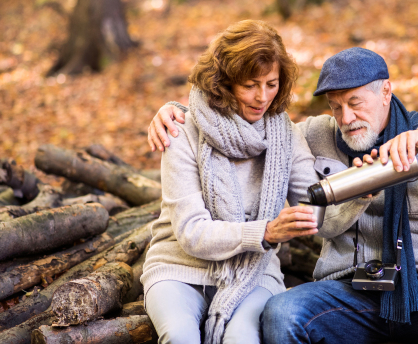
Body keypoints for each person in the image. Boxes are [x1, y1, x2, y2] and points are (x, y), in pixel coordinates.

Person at [147, 47, 418, 344]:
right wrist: (177, 111)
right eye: (336, 107)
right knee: (283, 313)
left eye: (355, 103)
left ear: (387, 91)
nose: (346, 118)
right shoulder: (316, 135)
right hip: (347, 291)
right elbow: (251, 132)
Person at [141, 21, 371, 344]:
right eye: (250, 85)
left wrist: (361, 192)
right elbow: (192, 233)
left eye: (271, 84)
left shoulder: (286, 136)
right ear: (224, 82)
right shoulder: (180, 131)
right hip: (180, 269)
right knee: (180, 336)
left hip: (256, 273)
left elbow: (321, 217)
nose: (262, 97)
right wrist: (264, 232)